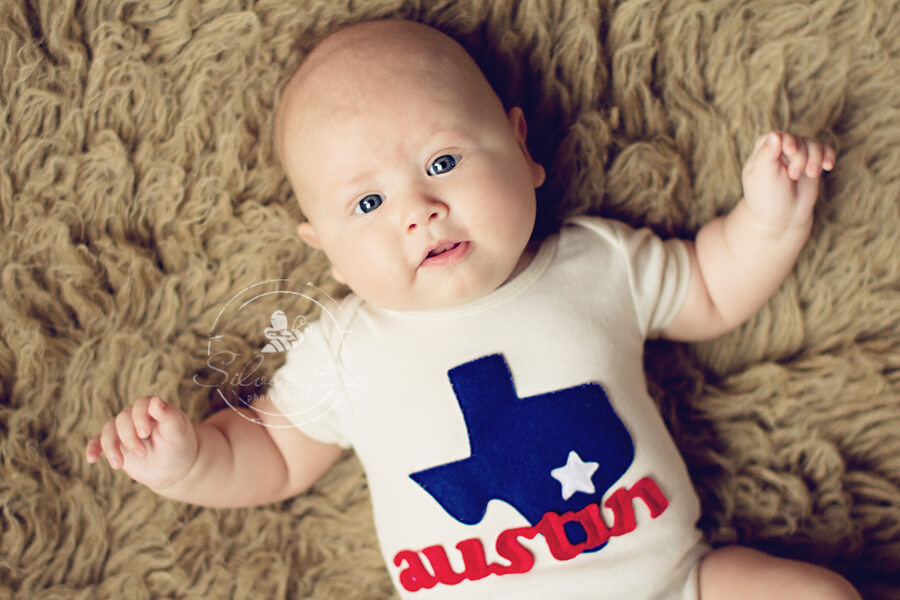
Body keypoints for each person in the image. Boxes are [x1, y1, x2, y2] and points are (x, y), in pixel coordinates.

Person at [85, 19, 859, 600]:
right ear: (322, 245)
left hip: (676, 583)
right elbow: (276, 458)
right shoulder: (345, 349)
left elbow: (711, 288)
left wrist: (769, 219)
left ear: (522, 148)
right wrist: (186, 463)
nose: (418, 210)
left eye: (443, 162)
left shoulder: (594, 264)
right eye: (368, 201)